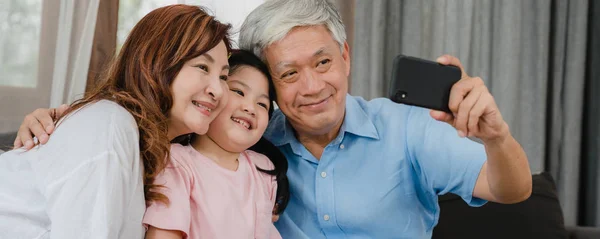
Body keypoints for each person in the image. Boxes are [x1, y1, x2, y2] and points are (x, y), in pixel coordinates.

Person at [15, 0, 533, 238]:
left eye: (324, 63)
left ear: (346, 58)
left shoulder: (407, 127)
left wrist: (497, 137)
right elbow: (154, 124)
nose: (312, 87)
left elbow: (511, 189)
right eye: (288, 74)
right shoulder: (254, 138)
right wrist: (69, 115)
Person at [1, 4, 232, 239]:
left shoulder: (158, 159)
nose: (218, 90)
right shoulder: (110, 126)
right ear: (156, 62)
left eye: (224, 77)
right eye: (202, 67)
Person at [143, 50, 289, 239]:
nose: (250, 108)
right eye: (239, 92)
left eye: (262, 104)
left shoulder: (264, 169)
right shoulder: (177, 162)